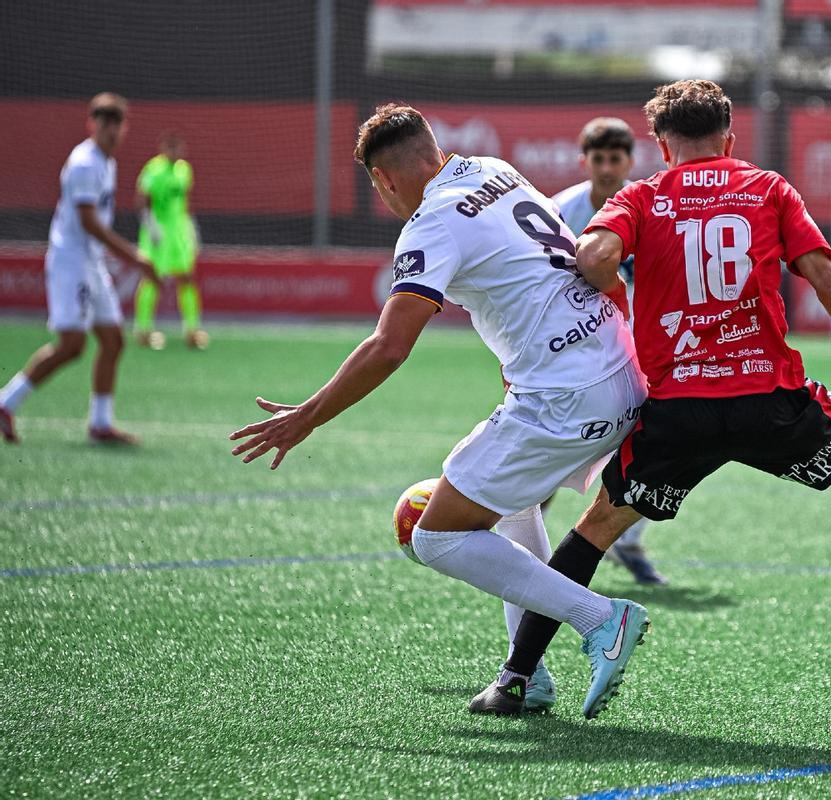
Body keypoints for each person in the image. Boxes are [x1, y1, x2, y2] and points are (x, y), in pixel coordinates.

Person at [473, 79, 831, 715]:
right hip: (769, 402)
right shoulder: (767, 188)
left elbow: (593, 256)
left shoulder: (640, 196)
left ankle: (515, 678)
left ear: (661, 146)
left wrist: (617, 297)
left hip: (678, 411)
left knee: (593, 531)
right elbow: (827, 280)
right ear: (728, 139)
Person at [228, 104, 651, 719]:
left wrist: (307, 416)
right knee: (511, 503)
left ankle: (601, 618)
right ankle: (525, 674)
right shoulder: (494, 169)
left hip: (567, 396)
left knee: (437, 536)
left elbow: (389, 346)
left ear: (383, 180)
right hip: (617, 370)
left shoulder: (431, 223)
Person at [0, 93, 160, 446]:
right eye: (105, 123)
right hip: (71, 261)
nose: (111, 130)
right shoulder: (85, 163)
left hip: (91, 262)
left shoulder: (106, 162)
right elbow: (89, 223)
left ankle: (100, 423)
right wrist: (134, 257)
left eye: (117, 123)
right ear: (92, 124)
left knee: (113, 340)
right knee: (72, 344)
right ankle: (5, 402)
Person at [551, 117, 665, 586]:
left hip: (639, 346)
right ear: (585, 161)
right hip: (576, 346)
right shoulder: (561, 211)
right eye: (598, 158)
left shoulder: (649, 206)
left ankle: (627, 541)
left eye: (615, 158)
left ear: (629, 161)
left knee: (649, 441)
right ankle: (527, 528)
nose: (606, 168)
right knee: (554, 438)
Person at [134, 132, 207, 350]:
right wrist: (151, 225)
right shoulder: (153, 169)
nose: (175, 153)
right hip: (157, 233)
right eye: (171, 148)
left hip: (179, 233)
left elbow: (185, 201)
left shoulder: (185, 170)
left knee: (186, 277)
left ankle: (192, 330)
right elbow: (141, 200)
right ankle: (143, 330)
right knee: (152, 278)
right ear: (163, 149)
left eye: (178, 148)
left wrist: (191, 228)